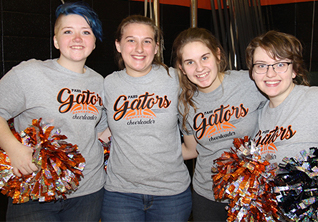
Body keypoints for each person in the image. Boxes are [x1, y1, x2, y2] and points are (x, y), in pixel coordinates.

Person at [0, 2, 107, 221]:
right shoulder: (29, 73)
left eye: (86, 32)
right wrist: (13, 147)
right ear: (56, 40)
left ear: (94, 42)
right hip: (34, 192)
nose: (77, 38)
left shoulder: (101, 82)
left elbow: (102, 132)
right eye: (68, 31)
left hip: (89, 192)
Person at [101, 15, 192, 222]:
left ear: (156, 47)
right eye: (131, 40)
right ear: (118, 45)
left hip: (171, 194)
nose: (139, 49)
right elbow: (103, 130)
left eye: (147, 41)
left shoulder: (176, 78)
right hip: (120, 194)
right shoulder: (108, 84)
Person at [172, 27, 267, 221]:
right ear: (181, 68)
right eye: (190, 62)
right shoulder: (185, 103)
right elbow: (191, 150)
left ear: (217, 54)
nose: (199, 68)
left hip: (252, 194)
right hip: (208, 196)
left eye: (205, 58)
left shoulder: (249, 83)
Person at [246, 30, 314, 164]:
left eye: (281, 64)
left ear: (294, 70)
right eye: (261, 66)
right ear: (252, 73)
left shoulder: (313, 100)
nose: (270, 73)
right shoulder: (256, 116)